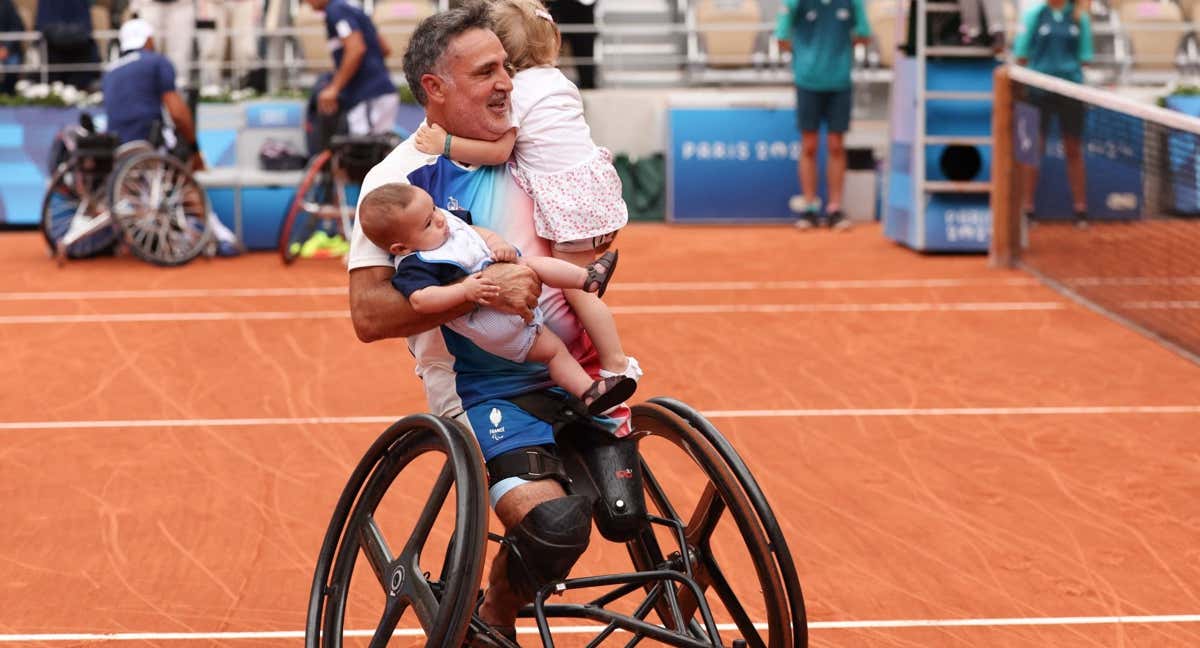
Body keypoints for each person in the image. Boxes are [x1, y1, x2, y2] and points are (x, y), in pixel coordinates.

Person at [349, 2, 629, 640]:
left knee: (625, 512)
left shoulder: (532, 152)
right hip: (479, 385)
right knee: (555, 526)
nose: (506, 81)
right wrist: (475, 292)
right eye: (485, 72)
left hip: (569, 362)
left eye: (506, 65)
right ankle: (491, 616)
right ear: (435, 90)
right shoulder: (397, 185)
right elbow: (367, 315)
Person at [412, 0, 640, 385]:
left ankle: (616, 362)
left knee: (580, 292)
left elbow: (499, 150)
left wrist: (445, 144)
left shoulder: (518, 92)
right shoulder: (559, 80)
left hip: (569, 203)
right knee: (573, 281)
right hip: (596, 190)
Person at [359, 182, 635, 415]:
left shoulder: (446, 224)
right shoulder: (416, 264)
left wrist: (497, 245)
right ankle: (587, 391)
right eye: (429, 222)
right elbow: (421, 301)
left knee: (531, 264)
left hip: (509, 295)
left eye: (433, 208)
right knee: (552, 352)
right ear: (402, 246)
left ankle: (586, 279)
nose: (441, 218)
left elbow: (476, 232)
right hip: (491, 325)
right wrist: (464, 292)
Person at [102, 19, 241, 254]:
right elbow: (177, 112)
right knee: (184, 174)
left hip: (117, 149)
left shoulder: (110, 72)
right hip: (149, 143)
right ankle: (219, 234)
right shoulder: (157, 62)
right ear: (148, 40)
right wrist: (195, 149)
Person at [775, 0, 871, 230]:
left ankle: (834, 208)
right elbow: (781, 37)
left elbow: (864, 34)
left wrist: (839, 52)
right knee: (809, 144)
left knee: (836, 145)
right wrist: (806, 56)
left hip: (839, 82)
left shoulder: (852, 2)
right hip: (807, 82)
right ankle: (809, 207)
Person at [1014, 0, 1092, 228]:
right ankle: (1026, 210)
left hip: (1071, 90)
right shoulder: (1033, 16)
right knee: (1031, 151)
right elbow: (1021, 54)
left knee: (1074, 150)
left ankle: (1081, 211)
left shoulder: (1080, 17)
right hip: (1036, 91)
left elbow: (1085, 57)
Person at [303, 0, 398, 135]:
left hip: (368, 96)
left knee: (363, 152)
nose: (306, 3)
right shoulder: (352, 8)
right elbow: (385, 48)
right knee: (376, 150)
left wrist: (334, 88)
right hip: (381, 93)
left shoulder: (336, 10)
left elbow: (356, 49)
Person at [130, 0, 197, 89]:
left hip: (181, 6)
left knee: (179, 56)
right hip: (149, 5)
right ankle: (146, 90)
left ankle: (179, 92)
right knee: (147, 53)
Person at [36, 0, 101, 89]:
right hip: (53, 55)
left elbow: (85, 28)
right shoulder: (46, 2)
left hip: (80, 54)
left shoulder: (81, 2)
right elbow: (44, 27)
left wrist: (64, 35)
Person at [547, 0, 596, 89]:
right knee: (549, 49)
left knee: (584, 48)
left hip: (582, 7)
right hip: (554, 5)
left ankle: (587, 84)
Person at [0, 0, 24, 95]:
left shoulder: (7, 5)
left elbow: (18, 27)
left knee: (13, 63)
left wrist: (6, 48)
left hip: (9, 50)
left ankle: (9, 93)